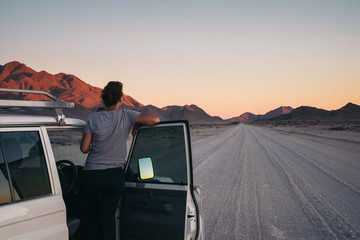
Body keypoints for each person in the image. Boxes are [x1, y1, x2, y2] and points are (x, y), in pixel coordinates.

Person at [80, 81, 160, 240]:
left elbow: (84, 148)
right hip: (113, 175)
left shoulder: (93, 118)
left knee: (90, 217)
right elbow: (155, 120)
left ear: (103, 99)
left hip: (91, 175)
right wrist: (137, 122)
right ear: (120, 99)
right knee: (108, 218)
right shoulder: (127, 115)